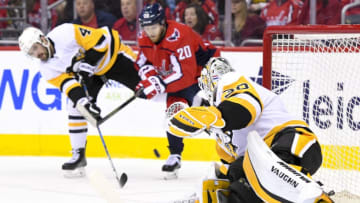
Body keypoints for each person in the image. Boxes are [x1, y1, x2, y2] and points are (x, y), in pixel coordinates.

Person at [167, 57, 333, 202]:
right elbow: (238, 168)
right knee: (235, 193)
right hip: (273, 158)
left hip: (293, 142)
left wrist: (213, 115)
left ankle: (314, 199)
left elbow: (245, 108)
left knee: (267, 180)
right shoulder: (222, 140)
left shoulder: (231, 80)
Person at [18, 23, 140, 177]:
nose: (36, 54)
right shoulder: (46, 69)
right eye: (31, 53)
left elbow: (101, 40)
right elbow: (69, 86)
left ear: (42, 39)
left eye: (35, 48)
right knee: (75, 106)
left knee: (152, 91)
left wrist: (86, 65)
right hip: (93, 74)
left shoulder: (65, 32)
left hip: (114, 57)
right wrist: (85, 103)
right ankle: (79, 155)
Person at [135, 3, 218, 179]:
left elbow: (186, 75)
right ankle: (175, 155)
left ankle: (230, 143)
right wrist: (149, 78)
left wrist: (157, 84)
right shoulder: (144, 38)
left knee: (206, 110)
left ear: (163, 24)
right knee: (174, 112)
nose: (150, 32)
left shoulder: (179, 35)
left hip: (206, 69)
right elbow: (141, 63)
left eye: (154, 27)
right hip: (179, 78)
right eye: (147, 27)